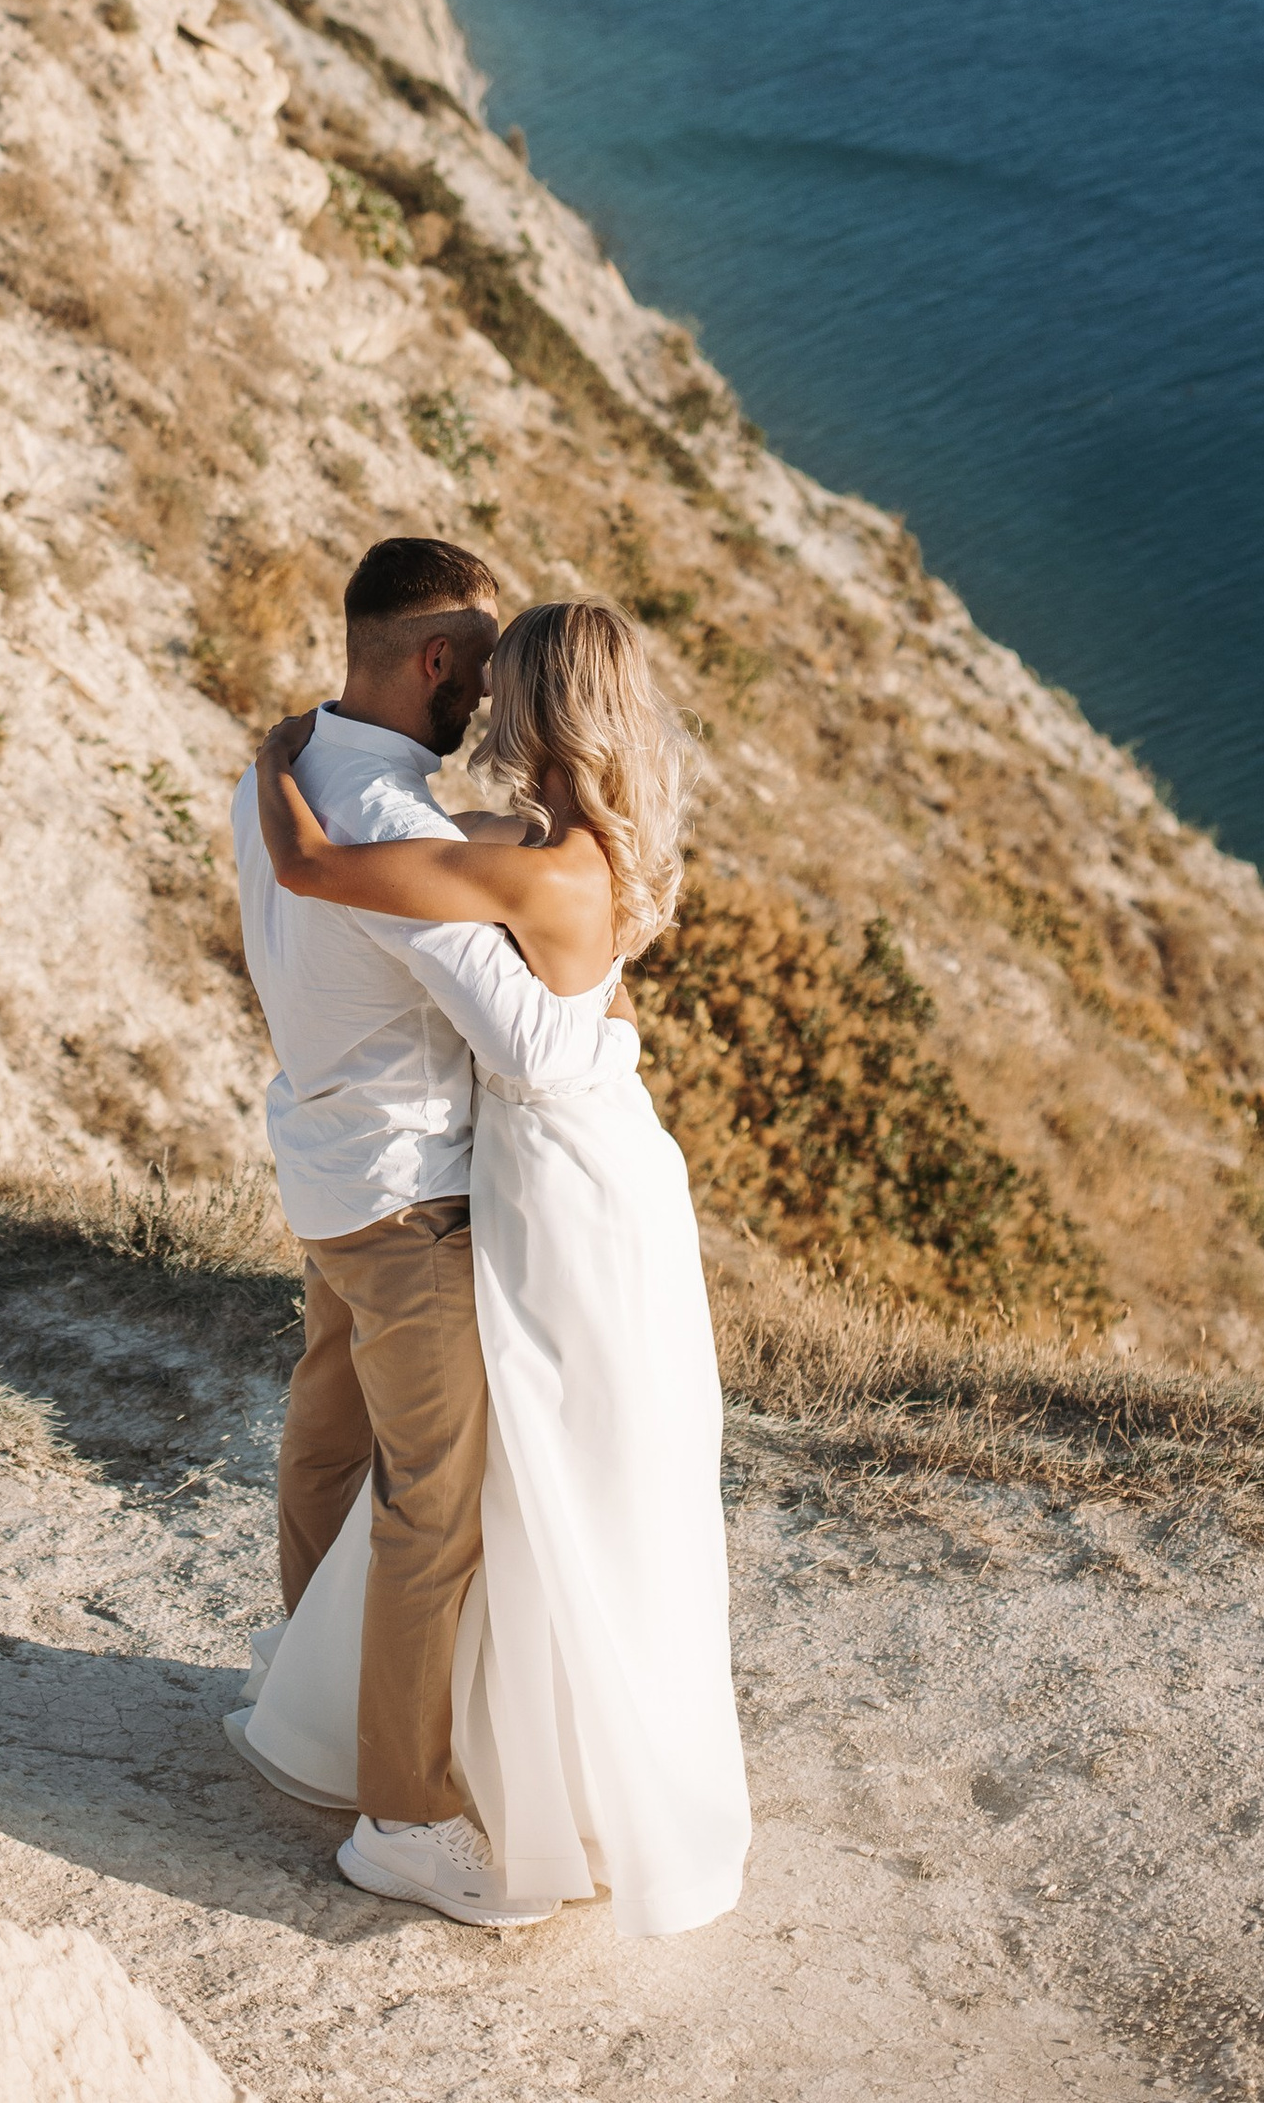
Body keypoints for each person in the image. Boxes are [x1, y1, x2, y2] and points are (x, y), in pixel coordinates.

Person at [234, 591, 751, 1941]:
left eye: (507, 687)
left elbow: (321, 869)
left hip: (561, 1183)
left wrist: (273, 769)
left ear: (536, 707)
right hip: (584, 1164)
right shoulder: (566, 850)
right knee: (559, 1463)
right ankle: (539, 1772)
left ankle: (474, 1776)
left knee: (540, 1468)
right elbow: (459, 872)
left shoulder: (538, 868)